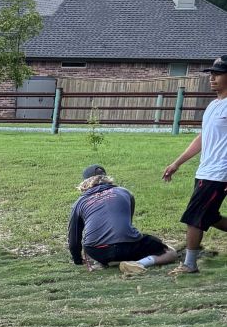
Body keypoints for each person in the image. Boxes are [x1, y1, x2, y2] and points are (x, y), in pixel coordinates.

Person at [163, 55, 227, 272]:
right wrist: (176, 163)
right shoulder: (213, 105)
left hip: (220, 173)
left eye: (218, 74)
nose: (212, 78)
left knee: (195, 216)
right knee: (209, 216)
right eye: (211, 73)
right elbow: (202, 138)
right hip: (205, 170)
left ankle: (189, 264)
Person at [68, 165, 178, 273]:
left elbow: (74, 240)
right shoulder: (124, 192)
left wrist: (77, 260)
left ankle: (111, 261)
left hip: (98, 251)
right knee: (170, 252)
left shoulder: (79, 203)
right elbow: (127, 224)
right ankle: (140, 263)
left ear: (85, 182)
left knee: (93, 246)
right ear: (106, 178)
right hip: (129, 246)